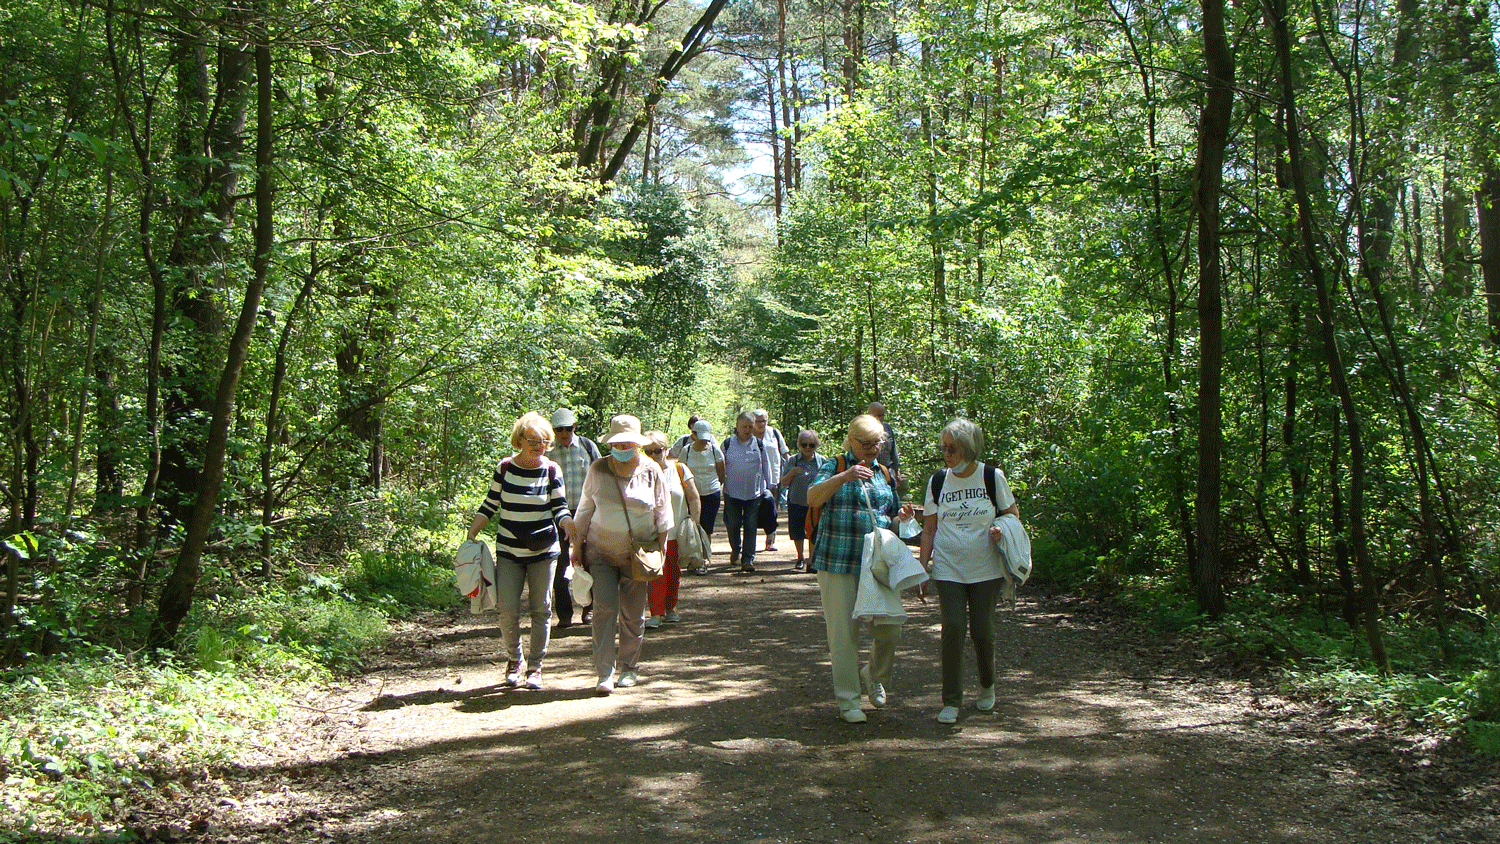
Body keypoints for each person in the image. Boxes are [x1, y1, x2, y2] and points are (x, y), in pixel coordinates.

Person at [806, 414, 915, 723]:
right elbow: (813, 498)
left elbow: (891, 516)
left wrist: (903, 517)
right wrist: (845, 477)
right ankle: (849, 701)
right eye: (865, 443)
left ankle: (874, 674)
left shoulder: (884, 472)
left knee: (889, 628)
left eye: (878, 443)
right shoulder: (835, 465)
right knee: (843, 635)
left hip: (877, 565)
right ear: (851, 441)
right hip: (837, 562)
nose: (872, 449)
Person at [918, 417, 1019, 725]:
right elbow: (929, 528)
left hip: (985, 568)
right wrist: (921, 569)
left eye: (953, 448)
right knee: (952, 629)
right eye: (944, 448)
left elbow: (1012, 515)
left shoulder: (992, 476)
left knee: (983, 632)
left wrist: (1002, 529)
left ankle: (987, 685)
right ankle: (951, 700)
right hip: (948, 567)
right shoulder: (938, 480)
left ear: (969, 448)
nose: (947, 454)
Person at [465, 412, 577, 691]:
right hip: (509, 550)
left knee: (541, 609)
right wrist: (471, 533)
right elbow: (490, 504)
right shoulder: (505, 468)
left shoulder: (552, 470)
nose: (539, 446)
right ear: (519, 441)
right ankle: (514, 661)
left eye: (544, 441)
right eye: (533, 441)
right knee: (507, 609)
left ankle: (535, 667)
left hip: (544, 550)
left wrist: (568, 524)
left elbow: (559, 506)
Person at [571, 414, 671, 694]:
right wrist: (576, 547)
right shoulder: (598, 469)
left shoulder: (652, 470)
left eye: (628, 444)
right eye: (618, 443)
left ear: (638, 445)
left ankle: (629, 667)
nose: (623, 448)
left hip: (638, 554)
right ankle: (604, 672)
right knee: (604, 609)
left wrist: (661, 550)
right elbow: (584, 511)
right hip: (600, 552)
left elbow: (663, 513)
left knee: (633, 614)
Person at [547, 408, 601, 629]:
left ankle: (589, 609)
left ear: (574, 427)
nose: (563, 433)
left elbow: (602, 474)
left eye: (567, 428)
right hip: (557, 516)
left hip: (586, 514)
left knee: (589, 563)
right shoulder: (548, 452)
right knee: (559, 567)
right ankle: (564, 614)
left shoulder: (587, 447)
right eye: (559, 429)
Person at [644, 430, 702, 627]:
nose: (653, 456)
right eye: (648, 452)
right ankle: (656, 612)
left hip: (676, 532)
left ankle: (671, 607)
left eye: (657, 451)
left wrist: (694, 523)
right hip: (651, 533)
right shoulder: (641, 471)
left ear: (667, 450)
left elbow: (693, 497)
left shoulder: (680, 470)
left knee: (673, 573)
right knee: (655, 573)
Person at [722, 411, 774, 573]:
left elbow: (766, 464)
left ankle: (748, 559)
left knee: (751, 525)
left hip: (754, 492)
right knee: (733, 523)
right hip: (732, 491)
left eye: (750, 426)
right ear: (737, 426)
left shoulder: (759, 445)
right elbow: (720, 464)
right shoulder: (728, 444)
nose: (747, 429)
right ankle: (736, 549)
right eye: (744, 426)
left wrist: (770, 485)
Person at [674, 419, 725, 570]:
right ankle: (692, 558)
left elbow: (722, 472)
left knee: (706, 528)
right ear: (693, 435)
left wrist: (715, 485)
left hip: (711, 493)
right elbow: (681, 470)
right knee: (692, 526)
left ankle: (703, 560)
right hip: (691, 496)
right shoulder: (686, 451)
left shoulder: (715, 450)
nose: (703, 441)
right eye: (700, 437)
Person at [779, 429, 829, 571]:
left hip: (815, 503)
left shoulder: (822, 461)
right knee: (797, 531)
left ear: (816, 445)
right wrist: (791, 473)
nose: (807, 448)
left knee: (814, 531)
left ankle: (811, 561)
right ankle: (800, 557)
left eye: (811, 445)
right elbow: (783, 482)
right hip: (796, 501)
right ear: (799, 445)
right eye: (804, 444)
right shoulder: (792, 461)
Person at [753, 409, 790, 552]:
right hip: (753, 479)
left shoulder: (774, 433)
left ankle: (770, 540)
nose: (761, 424)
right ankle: (751, 541)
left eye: (764, 420)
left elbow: (785, 453)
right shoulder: (747, 434)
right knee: (753, 510)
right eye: (758, 421)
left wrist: (787, 474)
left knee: (772, 510)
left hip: (773, 478)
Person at [866, 401, 902, 490]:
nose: (879, 418)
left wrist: (897, 471)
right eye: (876, 416)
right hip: (870, 471)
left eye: (881, 415)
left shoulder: (888, 428)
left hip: (887, 471)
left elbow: (893, 450)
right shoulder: (864, 430)